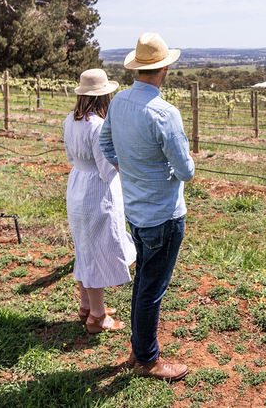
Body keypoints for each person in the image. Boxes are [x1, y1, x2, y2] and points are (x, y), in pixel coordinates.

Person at [99, 32, 194, 382]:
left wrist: (126, 166)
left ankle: (140, 349)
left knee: (143, 282)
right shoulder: (165, 113)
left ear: (138, 68)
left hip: (135, 212)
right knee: (152, 288)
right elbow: (186, 170)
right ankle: (147, 359)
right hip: (163, 215)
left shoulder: (120, 101)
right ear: (165, 68)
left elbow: (105, 142)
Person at [64, 68, 136, 334]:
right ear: (104, 96)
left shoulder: (70, 119)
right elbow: (107, 167)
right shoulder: (99, 126)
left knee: (84, 247)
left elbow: (72, 157)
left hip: (77, 186)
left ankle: (86, 305)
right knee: (96, 250)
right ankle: (96, 316)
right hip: (97, 190)